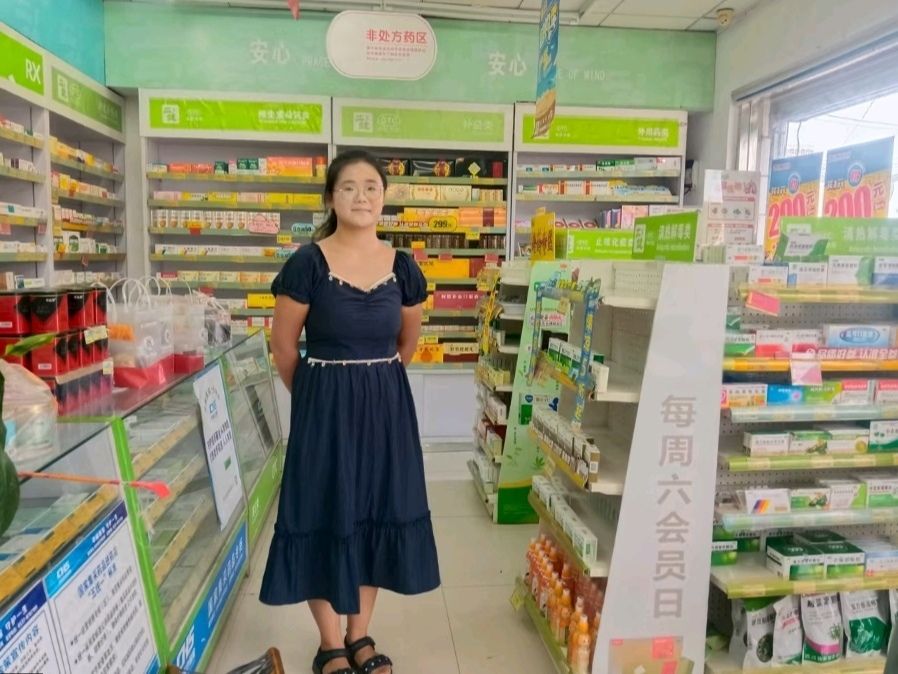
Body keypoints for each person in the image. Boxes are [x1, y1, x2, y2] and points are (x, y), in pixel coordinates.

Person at [260, 150, 441, 674]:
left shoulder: (403, 267)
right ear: (330, 197)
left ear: (383, 197)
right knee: (322, 512)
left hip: (385, 409)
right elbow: (283, 347)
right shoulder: (308, 263)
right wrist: (318, 397)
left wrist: (372, 382)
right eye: (349, 187)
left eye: (371, 187)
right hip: (323, 408)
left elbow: (406, 343)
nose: (361, 196)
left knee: (376, 514)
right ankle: (329, 644)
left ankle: (359, 636)